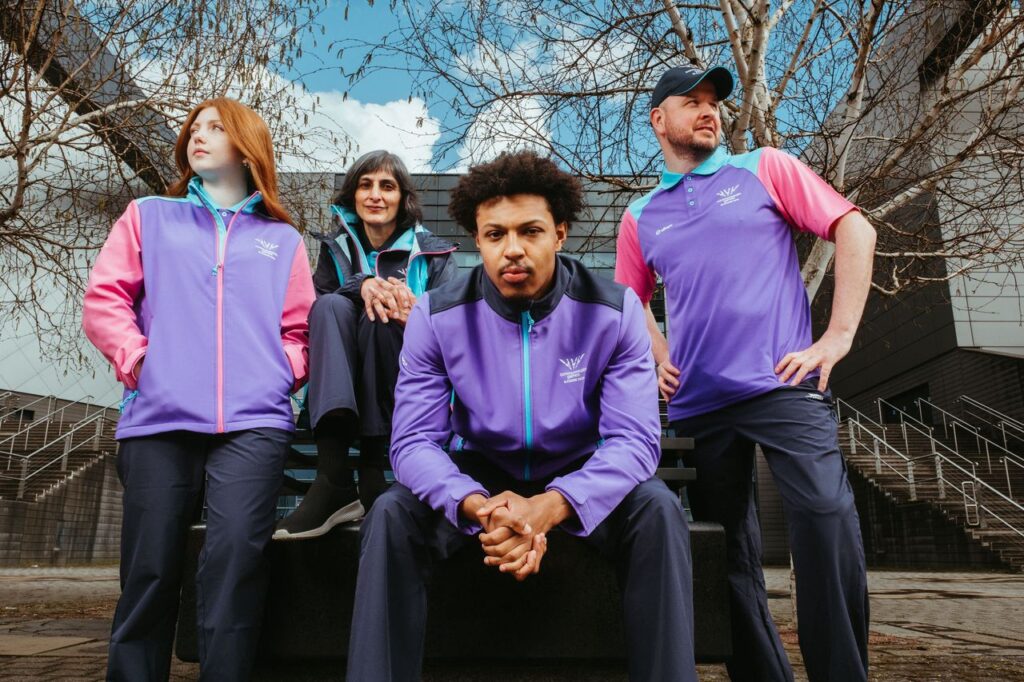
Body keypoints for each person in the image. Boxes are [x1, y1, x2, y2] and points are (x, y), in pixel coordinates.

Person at [346, 150, 697, 682]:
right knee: (391, 515)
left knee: (659, 511)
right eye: (495, 235)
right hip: (477, 474)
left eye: (529, 231)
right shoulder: (437, 316)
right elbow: (413, 443)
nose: (512, 249)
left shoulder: (614, 309)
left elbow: (634, 443)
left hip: (576, 472)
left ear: (559, 234)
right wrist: (480, 506)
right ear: (476, 242)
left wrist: (553, 505)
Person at [615, 64, 877, 682]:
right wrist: (657, 356)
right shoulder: (641, 215)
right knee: (724, 556)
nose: (710, 111)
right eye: (693, 101)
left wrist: (836, 337)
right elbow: (628, 301)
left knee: (825, 520)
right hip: (699, 407)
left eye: (715, 103)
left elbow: (853, 228)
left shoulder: (764, 167)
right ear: (659, 120)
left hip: (784, 385)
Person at [83, 98, 314, 681]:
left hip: (255, 423)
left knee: (235, 563)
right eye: (195, 128)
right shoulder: (148, 215)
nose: (198, 136)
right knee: (150, 571)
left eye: (216, 128)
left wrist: (279, 371)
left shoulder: (282, 240)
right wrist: (140, 360)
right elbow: (105, 301)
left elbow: (301, 330)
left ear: (246, 145)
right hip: (158, 419)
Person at [273, 150, 458, 540]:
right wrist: (363, 284)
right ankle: (333, 475)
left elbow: (455, 329)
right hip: (344, 383)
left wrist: (417, 317)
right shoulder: (335, 248)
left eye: (386, 186)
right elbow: (315, 316)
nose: (375, 194)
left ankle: (373, 467)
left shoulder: (435, 253)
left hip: (408, 385)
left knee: (383, 316)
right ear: (354, 196)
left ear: (402, 197)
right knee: (328, 307)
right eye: (365, 184)